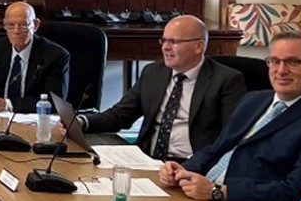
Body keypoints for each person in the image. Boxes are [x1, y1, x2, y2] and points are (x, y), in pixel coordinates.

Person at [159, 31, 301, 201]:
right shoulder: (253, 100)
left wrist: (219, 191)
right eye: (274, 61)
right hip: (202, 199)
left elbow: (298, 191)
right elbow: (217, 147)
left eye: (293, 62)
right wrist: (183, 170)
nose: (281, 70)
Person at [75, 15, 246, 161]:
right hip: (147, 160)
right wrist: (82, 122)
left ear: (199, 46)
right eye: (163, 40)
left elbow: (229, 139)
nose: (165, 47)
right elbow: (120, 115)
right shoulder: (153, 72)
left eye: (174, 42)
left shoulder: (226, 80)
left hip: (191, 166)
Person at [0, 1, 69, 114]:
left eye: (23, 25)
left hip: (34, 121)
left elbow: (54, 102)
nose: (16, 31)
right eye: (11, 25)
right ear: (4, 24)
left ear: (35, 25)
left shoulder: (55, 55)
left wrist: (7, 104)